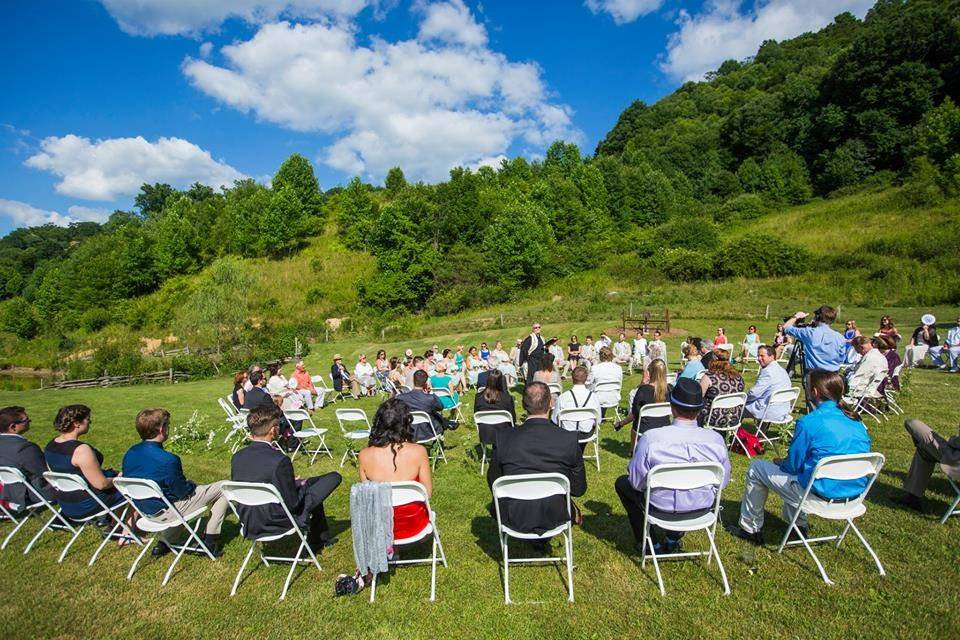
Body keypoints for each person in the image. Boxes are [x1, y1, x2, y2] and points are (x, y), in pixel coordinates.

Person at [730, 370, 871, 544]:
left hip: (820, 494)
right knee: (803, 471)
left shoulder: (810, 422)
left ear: (815, 392)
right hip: (853, 494)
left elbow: (793, 466)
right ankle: (798, 526)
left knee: (757, 467)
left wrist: (781, 462)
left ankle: (750, 529)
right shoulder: (856, 421)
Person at [615, 378, 731, 554]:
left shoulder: (651, 439)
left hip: (660, 507)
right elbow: (722, 482)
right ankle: (672, 538)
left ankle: (651, 543)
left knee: (623, 483)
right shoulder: (716, 440)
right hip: (701, 507)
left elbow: (637, 483)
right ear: (700, 409)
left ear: (672, 407)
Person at [231, 406, 341, 552]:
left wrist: (291, 483)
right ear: (273, 430)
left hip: (249, 520)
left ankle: (321, 538)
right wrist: (299, 487)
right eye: (278, 425)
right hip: (276, 521)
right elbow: (293, 504)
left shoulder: (237, 457)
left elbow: (253, 481)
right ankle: (318, 540)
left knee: (312, 482)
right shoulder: (279, 460)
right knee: (333, 478)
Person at [122, 408, 229, 556]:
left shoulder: (130, 453)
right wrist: (192, 485)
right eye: (168, 426)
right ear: (161, 429)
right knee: (225, 487)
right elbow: (182, 492)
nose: (169, 429)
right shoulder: (167, 459)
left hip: (145, 511)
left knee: (188, 495)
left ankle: (165, 542)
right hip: (167, 511)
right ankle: (210, 541)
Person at [487, 382, 587, 535]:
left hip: (514, 513)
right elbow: (578, 488)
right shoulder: (568, 439)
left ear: (523, 404)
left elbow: (493, 480)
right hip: (555, 512)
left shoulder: (504, 437)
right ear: (551, 403)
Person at [358, 399, 432, 538]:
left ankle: (393, 550)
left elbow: (368, 497)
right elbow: (427, 493)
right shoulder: (419, 451)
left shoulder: (364, 455)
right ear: (406, 422)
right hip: (415, 524)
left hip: (381, 527)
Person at [44, 404, 126, 521]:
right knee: (131, 488)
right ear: (77, 423)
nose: (90, 422)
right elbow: (101, 484)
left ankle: (112, 523)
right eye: (88, 419)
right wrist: (119, 479)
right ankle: (122, 531)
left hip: (65, 503)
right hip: (85, 504)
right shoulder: (80, 450)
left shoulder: (50, 445)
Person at [784, 306, 846, 409]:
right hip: (834, 374)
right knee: (833, 404)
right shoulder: (839, 337)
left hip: (815, 374)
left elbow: (786, 327)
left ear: (817, 317)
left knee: (815, 404)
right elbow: (841, 358)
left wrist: (796, 317)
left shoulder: (810, 333)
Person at [895, 418, 960, 513]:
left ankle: (912, 497)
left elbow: (955, 442)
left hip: (954, 463)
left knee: (912, 424)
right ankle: (912, 497)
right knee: (924, 449)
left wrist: (952, 440)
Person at [615, 359, 672, 451]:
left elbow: (634, 413)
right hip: (665, 427)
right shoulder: (670, 389)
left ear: (650, 372)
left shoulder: (643, 390)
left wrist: (620, 424)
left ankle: (633, 452)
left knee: (635, 425)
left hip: (645, 428)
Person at [0, 407, 52, 507]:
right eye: (26, 420)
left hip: (7, 492)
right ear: (13, 427)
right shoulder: (25, 448)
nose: (29, 421)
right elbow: (45, 472)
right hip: (31, 494)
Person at [744, 345, 793, 422]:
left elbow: (754, 393)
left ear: (772, 357)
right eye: (758, 356)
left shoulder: (767, 372)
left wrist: (743, 399)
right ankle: (762, 431)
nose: (759, 358)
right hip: (784, 411)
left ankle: (734, 432)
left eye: (762, 356)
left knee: (737, 407)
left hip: (769, 412)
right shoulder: (782, 370)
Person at [397, 370, 448, 441]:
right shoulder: (430, 398)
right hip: (429, 432)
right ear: (426, 383)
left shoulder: (400, 397)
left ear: (413, 381)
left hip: (407, 431)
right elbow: (440, 407)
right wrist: (431, 393)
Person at [698, 347, 744, 426]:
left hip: (713, 418)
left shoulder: (709, 377)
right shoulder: (738, 377)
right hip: (734, 417)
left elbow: (698, 397)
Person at [554, 366, 601, 438]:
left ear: (572, 378)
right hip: (586, 434)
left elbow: (555, 420)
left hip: (567, 433)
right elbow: (598, 421)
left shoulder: (563, 397)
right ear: (586, 379)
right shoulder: (594, 397)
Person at [473, 369, 516, 444]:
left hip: (486, 433)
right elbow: (513, 419)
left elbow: (476, 414)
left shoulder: (478, 397)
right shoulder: (507, 398)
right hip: (504, 433)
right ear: (501, 382)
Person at [589, 346, 623, 414]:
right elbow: (620, 384)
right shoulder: (618, 368)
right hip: (614, 397)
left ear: (600, 356)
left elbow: (589, 384)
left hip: (598, 399)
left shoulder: (595, 368)